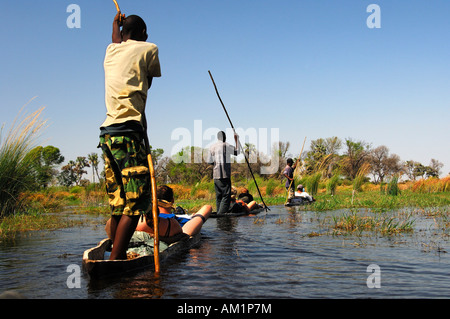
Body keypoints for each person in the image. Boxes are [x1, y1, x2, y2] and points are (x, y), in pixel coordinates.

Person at [98, 12, 161, 260]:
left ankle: (116, 254)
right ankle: (116, 261)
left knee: (118, 202)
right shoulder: (150, 48)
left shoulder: (110, 51)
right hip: (129, 133)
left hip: (107, 136)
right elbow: (149, 81)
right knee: (136, 204)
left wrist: (115, 23)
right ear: (143, 34)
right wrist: (119, 25)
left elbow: (117, 40)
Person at [136, 185, 211, 243]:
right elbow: (207, 208)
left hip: (154, 227)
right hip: (179, 230)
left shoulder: (140, 220)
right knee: (207, 208)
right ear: (172, 200)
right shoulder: (172, 223)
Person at [207, 131, 239, 214]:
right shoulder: (226, 145)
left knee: (219, 196)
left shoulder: (212, 147)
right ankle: (221, 215)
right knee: (226, 196)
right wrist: (237, 140)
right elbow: (237, 152)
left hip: (216, 176)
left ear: (218, 137)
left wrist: (216, 164)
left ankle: (218, 213)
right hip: (225, 175)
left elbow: (209, 161)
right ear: (224, 137)